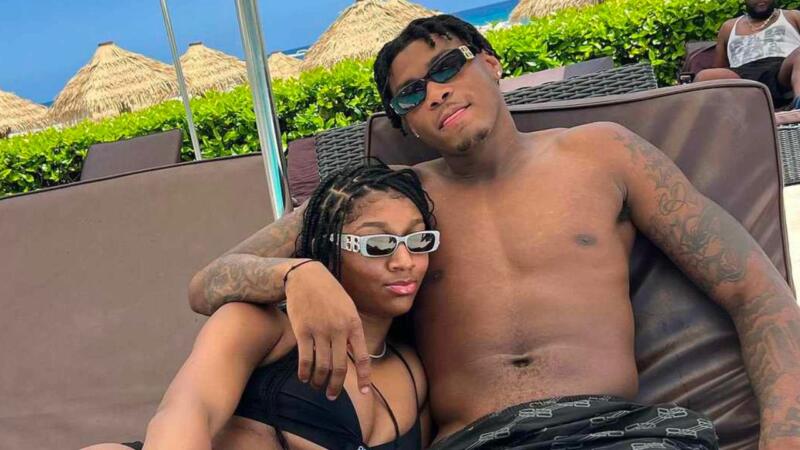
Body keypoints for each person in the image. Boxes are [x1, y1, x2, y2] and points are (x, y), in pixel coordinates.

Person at [189, 15, 800, 449]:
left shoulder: (606, 155)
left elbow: (756, 293)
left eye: (446, 66)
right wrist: (296, 275)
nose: (436, 92)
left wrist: (785, 437)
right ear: (407, 123)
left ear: (490, 63)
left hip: (617, 432)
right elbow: (208, 282)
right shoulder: (389, 204)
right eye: (410, 94)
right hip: (478, 441)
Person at [84, 163, 435, 450]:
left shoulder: (411, 371)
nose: (404, 261)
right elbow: (188, 411)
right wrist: (297, 272)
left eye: (419, 240)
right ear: (328, 248)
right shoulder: (260, 326)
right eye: (377, 244)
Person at [695, 0, 800, 108]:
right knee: (705, 76)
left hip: (782, 70)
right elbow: (719, 66)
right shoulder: (729, 27)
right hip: (742, 77)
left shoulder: (792, 16)